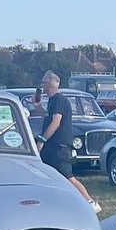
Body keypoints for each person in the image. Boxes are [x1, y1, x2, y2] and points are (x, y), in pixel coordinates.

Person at [35, 72, 99, 211]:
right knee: (49, 175)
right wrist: (38, 106)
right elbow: (47, 117)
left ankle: (90, 202)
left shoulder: (59, 100)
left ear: (49, 84)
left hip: (59, 146)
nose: (42, 87)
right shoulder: (52, 101)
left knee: (68, 176)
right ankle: (55, 202)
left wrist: (42, 140)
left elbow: (56, 122)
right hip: (52, 147)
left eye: (43, 84)